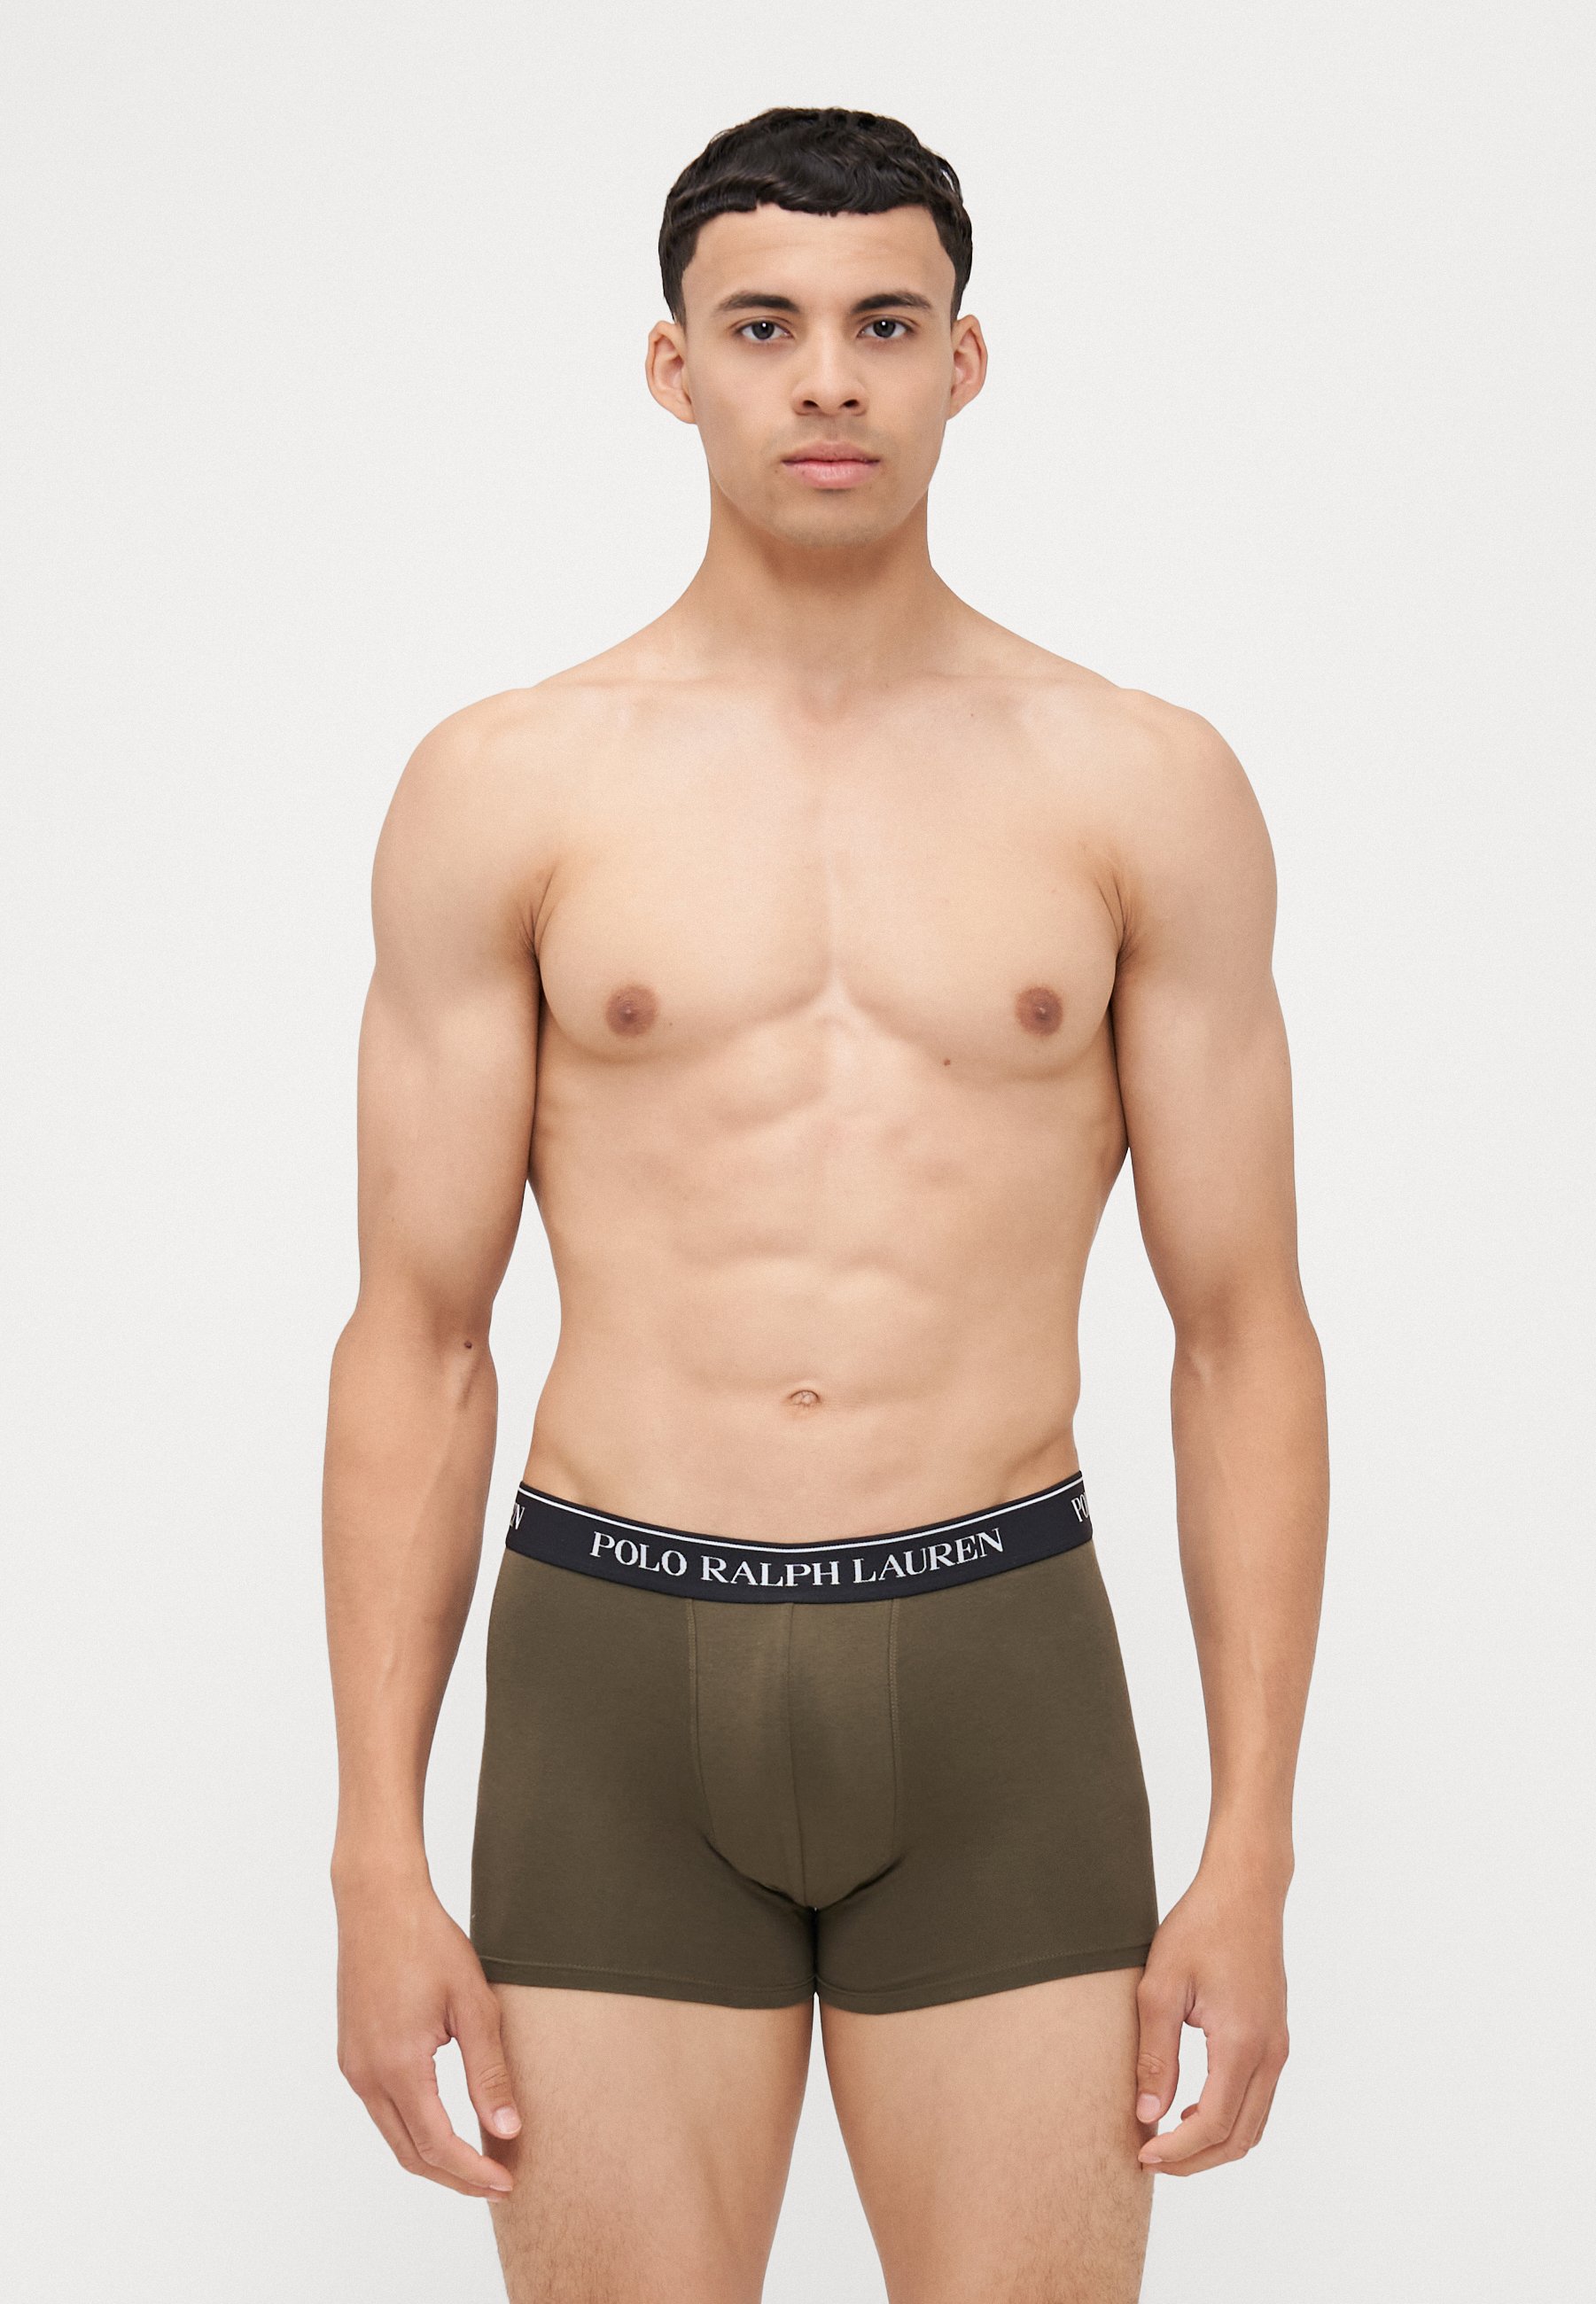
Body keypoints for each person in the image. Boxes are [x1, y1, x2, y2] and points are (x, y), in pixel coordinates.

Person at [322, 105, 1329, 2303]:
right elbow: (420, 1333)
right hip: (610, 1673)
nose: (826, 380)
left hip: (996, 1669)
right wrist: (372, 1855)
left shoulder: (1139, 784)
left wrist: (1250, 1842)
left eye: (883, 324)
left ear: (964, 360)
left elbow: (1243, 1332)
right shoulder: (508, 784)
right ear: (671, 365)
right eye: (763, 326)